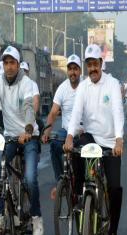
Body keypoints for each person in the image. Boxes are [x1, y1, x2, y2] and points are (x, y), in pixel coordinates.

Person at [0, 46, 44, 235]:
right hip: (11, 137)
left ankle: (36, 217)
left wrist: (28, 129)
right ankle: (1, 215)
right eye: (5, 63)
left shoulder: (27, 83)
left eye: (12, 62)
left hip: (29, 137)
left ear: (18, 64)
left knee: (29, 178)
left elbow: (30, 107)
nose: (9, 66)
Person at [64, 44, 124, 235]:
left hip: (109, 142)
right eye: (88, 65)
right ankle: (81, 196)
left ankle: (113, 233)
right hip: (90, 138)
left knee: (115, 187)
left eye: (95, 64)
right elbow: (75, 113)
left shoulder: (113, 84)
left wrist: (119, 139)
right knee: (75, 151)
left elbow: (117, 111)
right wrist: (70, 136)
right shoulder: (82, 87)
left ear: (101, 64)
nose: (92, 68)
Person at [42, 54, 82, 199]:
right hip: (66, 132)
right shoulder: (62, 88)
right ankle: (61, 181)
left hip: (85, 132)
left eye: (75, 69)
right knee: (54, 145)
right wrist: (47, 131)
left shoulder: (86, 86)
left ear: (80, 71)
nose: (73, 72)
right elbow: (53, 112)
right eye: (70, 69)